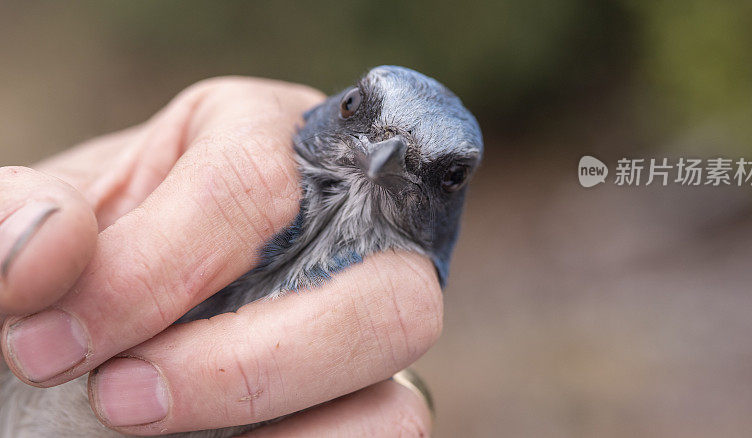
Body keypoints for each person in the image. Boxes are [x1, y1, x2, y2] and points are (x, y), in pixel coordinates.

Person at [0, 77, 439, 436]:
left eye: (448, 175)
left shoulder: (368, 342)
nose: (383, 156)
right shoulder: (187, 186)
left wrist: (394, 382)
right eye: (354, 109)